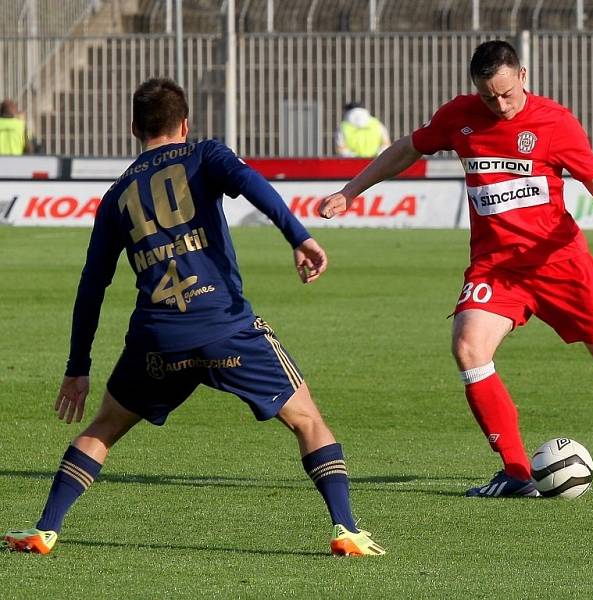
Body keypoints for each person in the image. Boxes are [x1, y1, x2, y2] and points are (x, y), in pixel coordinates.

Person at [319, 40, 593, 498]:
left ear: (524, 76)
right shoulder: (460, 115)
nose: (500, 105)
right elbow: (406, 149)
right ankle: (515, 471)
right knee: (469, 348)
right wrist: (352, 190)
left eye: (507, 93)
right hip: (496, 269)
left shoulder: (556, 122)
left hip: (561, 265)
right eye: (489, 96)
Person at [2, 78, 384, 557]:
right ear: (185, 123)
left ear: (133, 129)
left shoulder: (117, 195)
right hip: (225, 327)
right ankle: (345, 528)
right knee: (307, 419)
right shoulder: (205, 155)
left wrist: (77, 367)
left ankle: (45, 528)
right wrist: (299, 237)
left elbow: (90, 286)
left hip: (157, 342)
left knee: (103, 428)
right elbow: (252, 184)